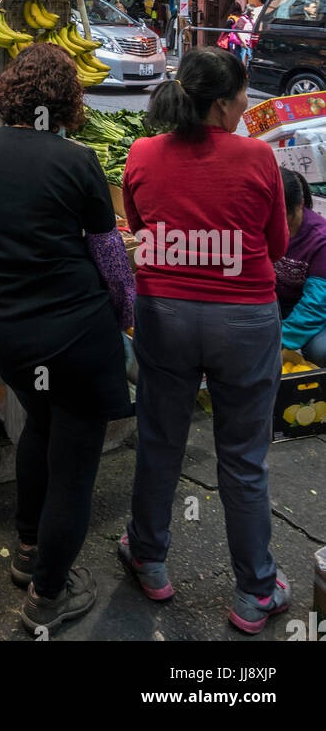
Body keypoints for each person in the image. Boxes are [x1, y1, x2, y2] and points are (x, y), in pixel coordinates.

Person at [0, 44, 135, 635]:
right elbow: (111, 260)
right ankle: (49, 594)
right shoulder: (78, 163)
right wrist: (125, 322)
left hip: (13, 335)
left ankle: (26, 548)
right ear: (66, 100)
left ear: (13, 93)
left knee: (41, 427)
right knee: (75, 466)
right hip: (75, 336)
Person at [121, 48, 290, 635]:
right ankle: (255, 591)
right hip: (243, 319)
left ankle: (148, 557)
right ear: (221, 103)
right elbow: (276, 245)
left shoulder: (141, 153)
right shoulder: (259, 158)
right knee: (243, 459)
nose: (248, 103)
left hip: (164, 314)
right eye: (243, 94)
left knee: (160, 439)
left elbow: (140, 231)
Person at [276, 169, 326, 365]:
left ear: (300, 205)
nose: (278, 228)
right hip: (279, 305)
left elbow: (315, 305)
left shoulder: (320, 240)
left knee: (320, 350)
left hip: (317, 310)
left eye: (284, 220)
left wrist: (279, 342)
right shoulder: (257, 226)